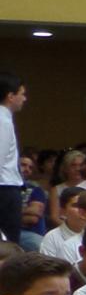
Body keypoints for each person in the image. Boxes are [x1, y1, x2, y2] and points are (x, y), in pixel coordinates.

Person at [0, 73, 24, 245]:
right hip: (4, 189)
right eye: (22, 94)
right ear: (10, 96)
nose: (24, 98)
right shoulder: (2, 121)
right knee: (9, 244)